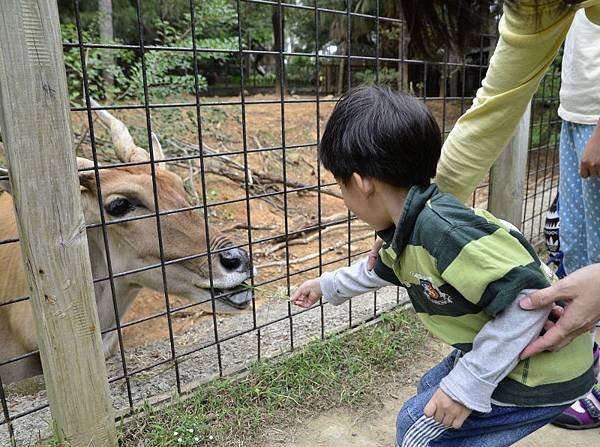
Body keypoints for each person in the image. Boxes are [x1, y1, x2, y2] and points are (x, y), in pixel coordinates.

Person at [291, 86, 595, 446]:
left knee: (418, 430)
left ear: (361, 182)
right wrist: (326, 286)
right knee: (429, 391)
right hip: (513, 352)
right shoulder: (408, 225)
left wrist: (467, 388)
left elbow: (529, 303)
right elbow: (376, 269)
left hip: (540, 372)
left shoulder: (442, 233)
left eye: (341, 186)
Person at [364, 0, 600, 366]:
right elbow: (492, 109)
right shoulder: (535, 7)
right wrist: (409, 220)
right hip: (579, 113)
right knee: (580, 246)